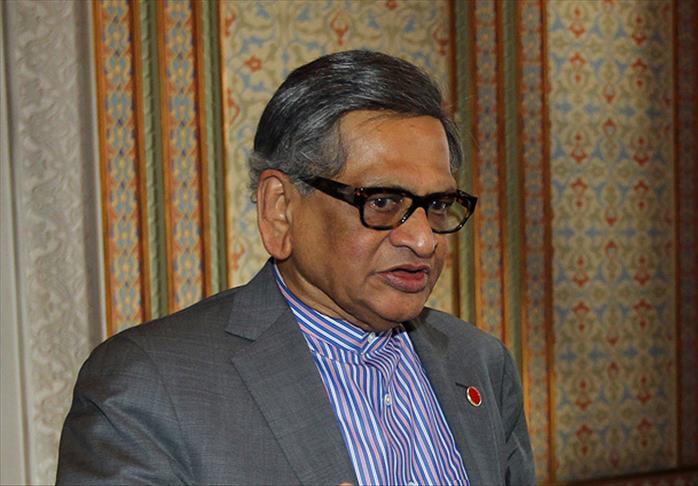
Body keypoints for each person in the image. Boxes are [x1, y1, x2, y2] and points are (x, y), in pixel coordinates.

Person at [57, 50, 534, 485]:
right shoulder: (149, 385)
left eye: (439, 205)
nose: (424, 240)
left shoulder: (479, 363)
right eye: (383, 201)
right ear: (280, 209)